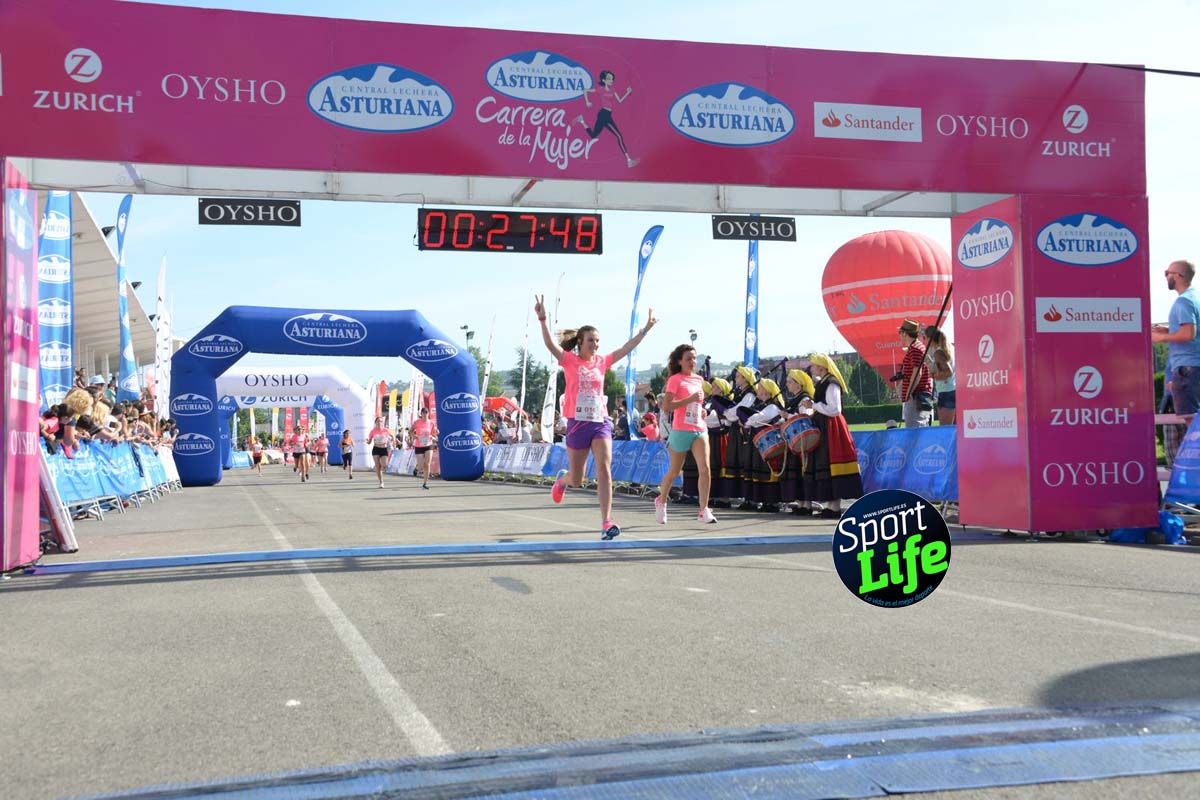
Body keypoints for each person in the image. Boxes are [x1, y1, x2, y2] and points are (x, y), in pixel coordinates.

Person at [536, 293, 657, 540]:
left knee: (604, 468)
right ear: (580, 341)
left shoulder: (602, 362)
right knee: (578, 480)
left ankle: (606, 522)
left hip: (600, 422)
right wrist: (542, 320)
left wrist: (646, 329)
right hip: (577, 423)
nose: (595, 344)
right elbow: (550, 345)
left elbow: (626, 348)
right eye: (591, 340)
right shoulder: (569, 360)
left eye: (598, 341)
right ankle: (563, 480)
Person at [654, 345, 717, 525]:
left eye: (694, 358)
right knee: (674, 471)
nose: (692, 362)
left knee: (705, 469)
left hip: (699, 428)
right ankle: (661, 501)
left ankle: (703, 509)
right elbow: (666, 407)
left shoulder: (698, 379)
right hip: (681, 429)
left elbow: (697, 404)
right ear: (679, 361)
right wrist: (689, 400)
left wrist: (702, 411)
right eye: (688, 358)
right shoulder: (675, 380)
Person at [804, 354, 864, 518]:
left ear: (822, 367)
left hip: (832, 427)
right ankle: (831, 506)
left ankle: (835, 507)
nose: (811, 368)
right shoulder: (823, 382)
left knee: (832, 462)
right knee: (825, 462)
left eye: (814, 365)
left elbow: (835, 409)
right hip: (824, 425)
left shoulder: (831, 383)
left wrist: (813, 405)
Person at [1153, 260, 1200, 421]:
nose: (1166, 277)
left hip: (1187, 368)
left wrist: (1163, 337)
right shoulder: (1194, 298)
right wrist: (1168, 330)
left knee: (1192, 421)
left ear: (1178, 276)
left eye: (1168, 273)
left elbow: (1188, 334)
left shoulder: (1183, 301)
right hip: (1193, 366)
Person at [575, 69, 637, 168]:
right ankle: (629, 160)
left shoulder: (613, 90)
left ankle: (581, 120)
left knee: (594, 135)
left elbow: (620, 101)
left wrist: (627, 92)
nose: (611, 80)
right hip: (603, 115)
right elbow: (585, 90)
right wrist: (587, 102)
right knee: (619, 136)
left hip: (607, 115)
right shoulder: (601, 89)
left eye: (612, 79)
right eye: (609, 79)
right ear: (604, 80)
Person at [743, 377, 786, 512]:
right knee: (758, 471)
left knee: (768, 471)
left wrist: (748, 420)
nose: (758, 390)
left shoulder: (772, 406)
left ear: (768, 391)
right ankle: (758, 500)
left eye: (761, 388)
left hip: (769, 443)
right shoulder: (762, 405)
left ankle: (771, 502)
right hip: (759, 442)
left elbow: (759, 418)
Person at [781, 369, 816, 515]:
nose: (787, 384)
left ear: (798, 384)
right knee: (797, 472)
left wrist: (787, 415)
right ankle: (801, 504)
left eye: (790, 381)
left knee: (804, 471)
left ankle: (806, 505)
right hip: (795, 440)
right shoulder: (795, 399)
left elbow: (806, 416)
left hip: (803, 441)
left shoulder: (804, 399)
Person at [894, 320, 933, 428]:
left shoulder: (915, 349)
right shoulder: (917, 347)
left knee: (914, 431)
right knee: (918, 429)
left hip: (915, 397)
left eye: (900, 333)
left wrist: (908, 394)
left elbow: (917, 373)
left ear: (905, 333)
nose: (900, 337)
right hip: (918, 396)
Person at [923, 326, 956, 426]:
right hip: (951, 390)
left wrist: (934, 376)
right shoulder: (947, 348)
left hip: (946, 392)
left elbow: (948, 372)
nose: (924, 341)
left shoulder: (938, 352)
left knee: (945, 429)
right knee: (950, 429)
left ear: (930, 339)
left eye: (925, 338)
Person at [411, 407, 437, 490]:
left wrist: (433, 436)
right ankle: (417, 467)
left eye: (426, 413)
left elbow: (434, 433)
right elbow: (411, 431)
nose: (425, 414)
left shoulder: (431, 423)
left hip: (428, 445)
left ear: (428, 413)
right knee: (421, 466)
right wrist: (413, 436)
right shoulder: (417, 422)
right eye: (423, 413)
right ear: (421, 414)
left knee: (427, 464)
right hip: (419, 445)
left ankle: (425, 483)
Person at [367, 416, 392, 488]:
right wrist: (367, 441)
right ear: (375, 423)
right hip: (376, 449)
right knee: (378, 466)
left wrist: (393, 439)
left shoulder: (386, 430)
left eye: (381, 421)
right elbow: (369, 441)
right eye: (378, 421)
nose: (379, 422)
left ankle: (380, 468)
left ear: (383, 422)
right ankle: (381, 482)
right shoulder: (373, 431)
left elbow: (391, 436)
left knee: (384, 465)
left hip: (384, 449)